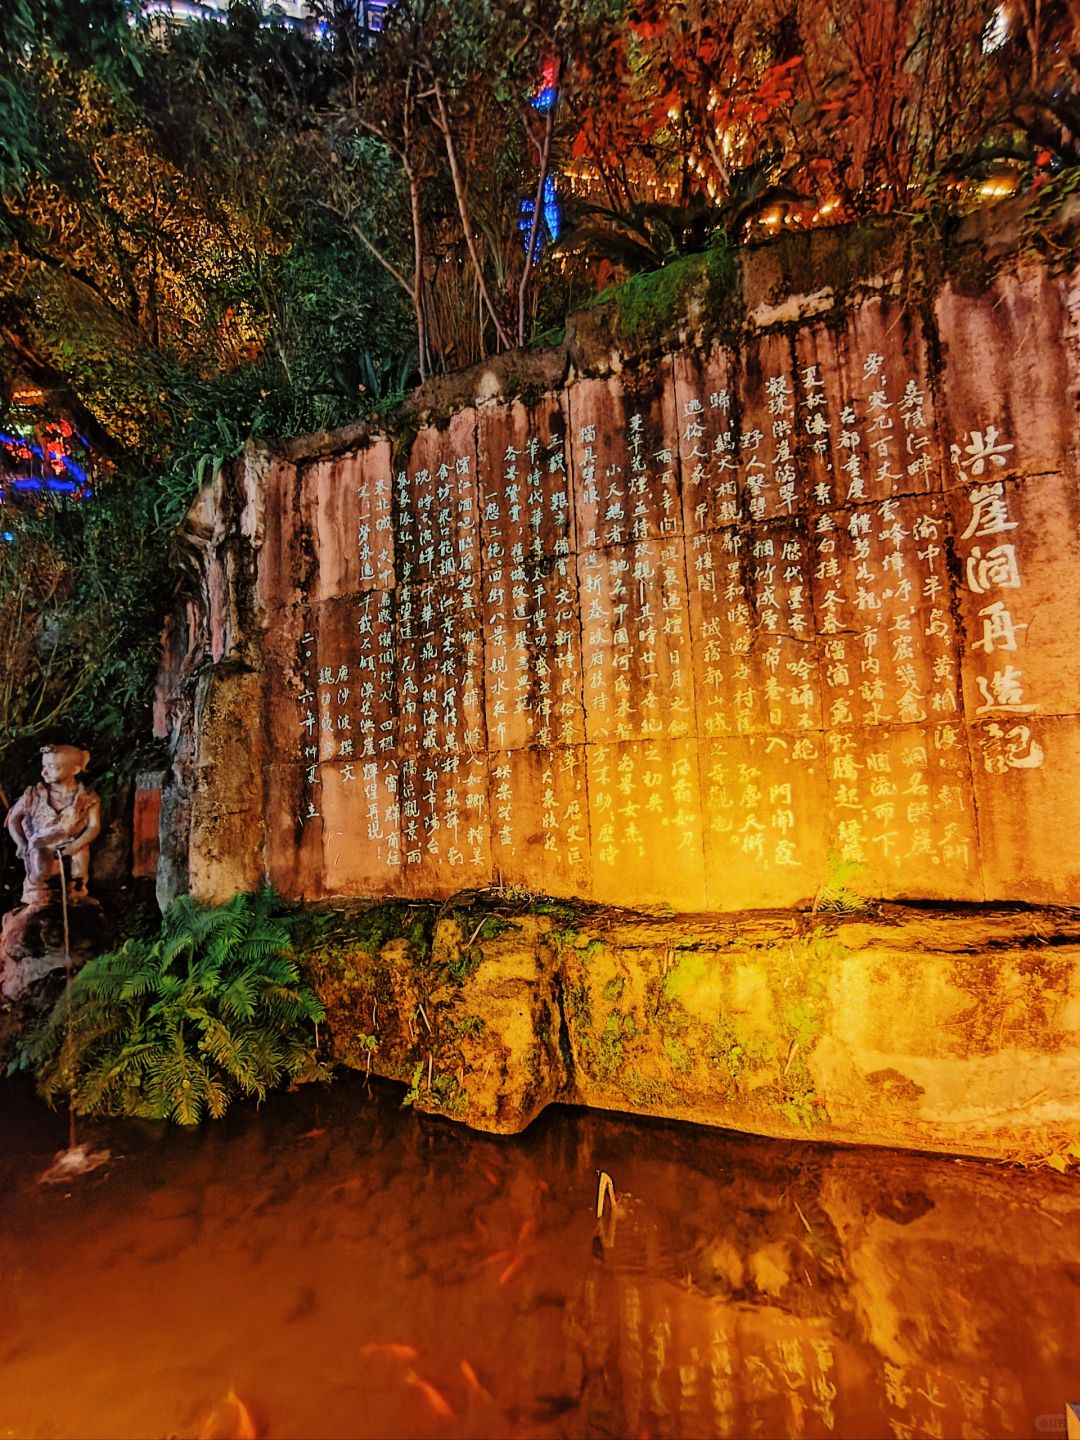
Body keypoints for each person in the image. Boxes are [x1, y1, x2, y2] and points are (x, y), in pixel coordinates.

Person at [5, 745, 101, 907]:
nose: (44, 772)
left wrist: (76, 845)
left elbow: (94, 827)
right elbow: (13, 820)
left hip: (72, 844)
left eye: (53, 767)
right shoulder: (34, 795)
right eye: (44, 766)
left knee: (79, 865)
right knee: (40, 870)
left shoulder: (87, 798)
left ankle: (76, 895)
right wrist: (21, 842)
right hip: (42, 843)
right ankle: (40, 898)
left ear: (75, 770)